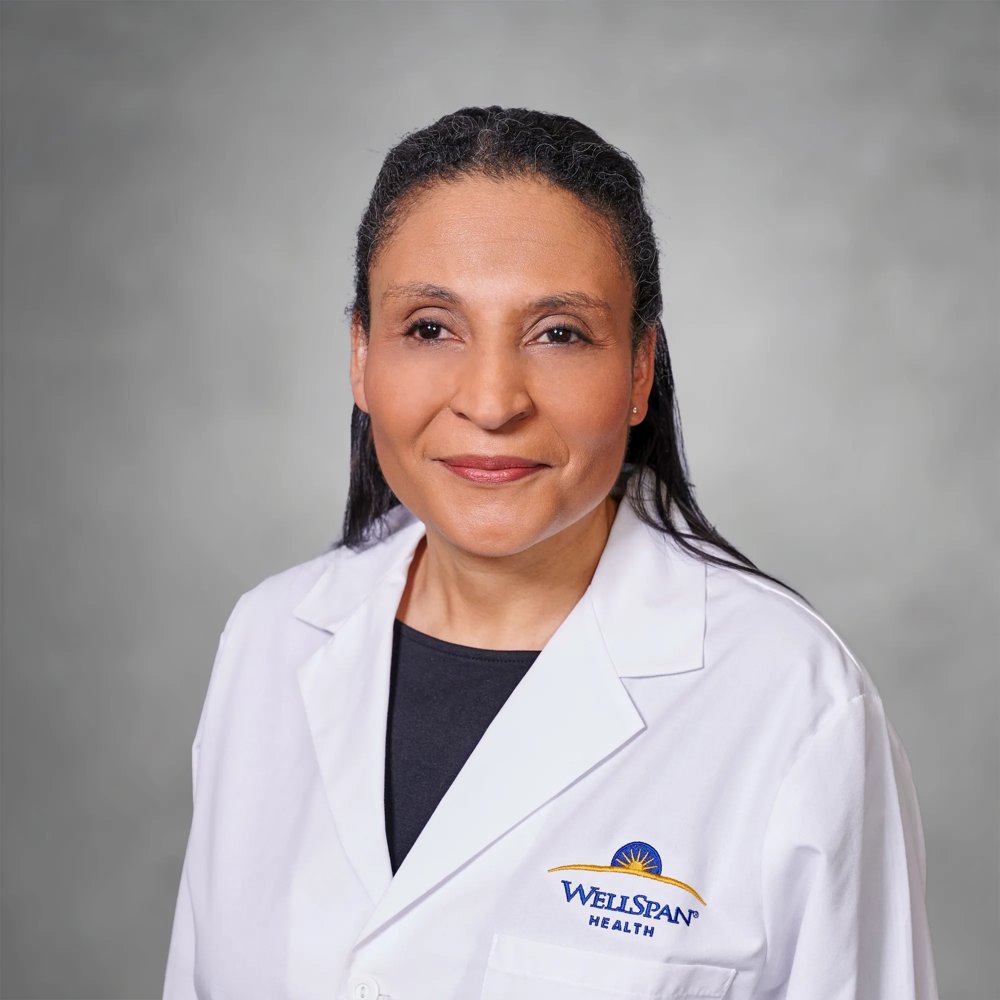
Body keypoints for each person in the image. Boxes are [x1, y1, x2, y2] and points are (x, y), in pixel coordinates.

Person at [162, 106, 939, 1000]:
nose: (492, 402)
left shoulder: (792, 701)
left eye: (559, 333)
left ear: (640, 370)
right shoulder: (268, 642)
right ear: (361, 356)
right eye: (430, 327)